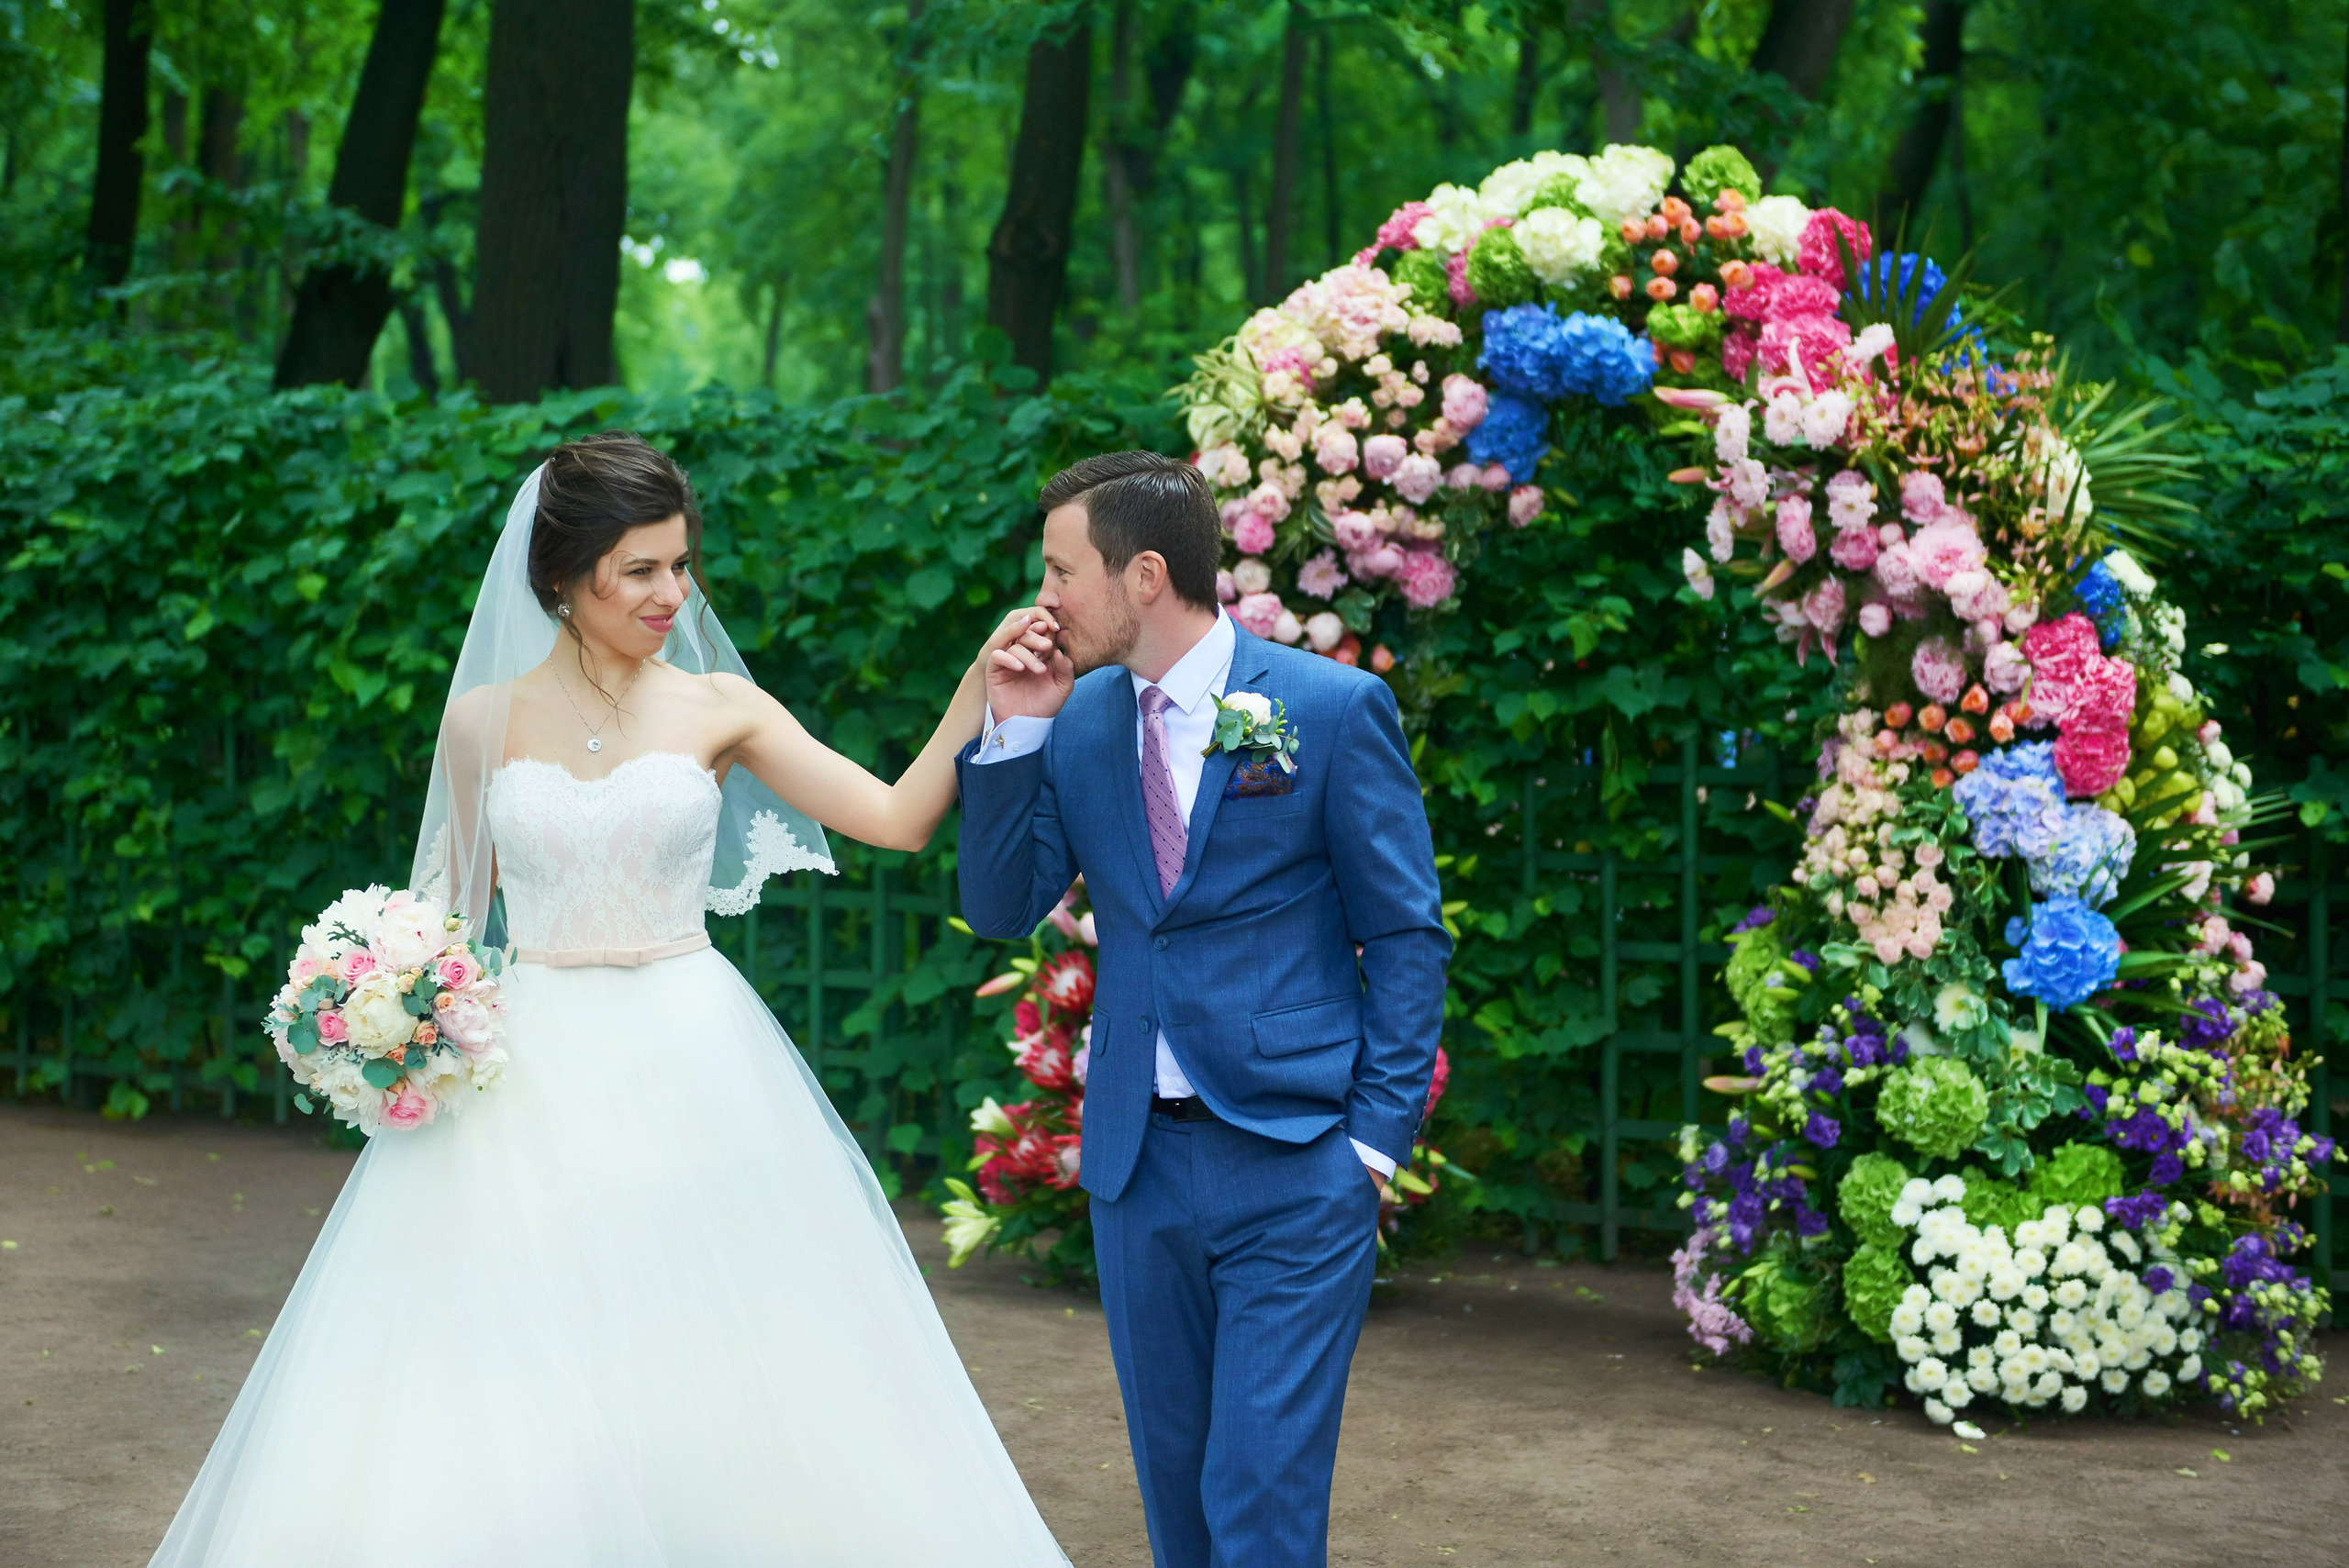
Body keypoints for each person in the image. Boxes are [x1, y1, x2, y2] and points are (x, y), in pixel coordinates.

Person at [148, 432, 1070, 1566]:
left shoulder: (718, 705)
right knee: (515, 1350)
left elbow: (889, 815)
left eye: (679, 564)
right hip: (522, 1071)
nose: (670, 592)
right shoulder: (481, 723)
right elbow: (444, 922)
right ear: (560, 575)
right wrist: (379, 995)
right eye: (639, 569)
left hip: (691, 1054)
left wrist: (981, 687)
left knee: (706, 1332)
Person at [956, 451, 1451, 1568]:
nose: (1043, 600)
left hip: (1297, 1162)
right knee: (1178, 1502)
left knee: (1257, 1493)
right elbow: (997, 904)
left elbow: (1407, 936)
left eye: (1058, 571)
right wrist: (1015, 731)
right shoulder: (1077, 721)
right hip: (1138, 1172)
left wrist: (1369, 1144)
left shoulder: (1328, 708)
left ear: (1141, 574)